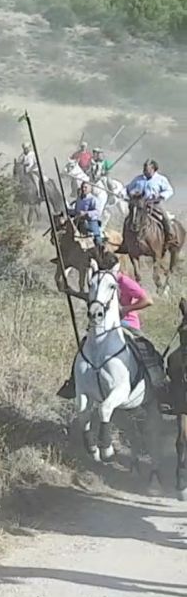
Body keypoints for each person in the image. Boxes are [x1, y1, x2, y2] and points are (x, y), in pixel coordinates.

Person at [56, 248, 170, 410]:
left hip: (126, 324)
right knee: (84, 348)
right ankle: (74, 382)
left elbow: (147, 300)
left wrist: (125, 310)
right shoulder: (100, 280)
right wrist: (72, 292)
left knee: (144, 348)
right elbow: (95, 297)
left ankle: (158, 384)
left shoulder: (124, 281)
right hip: (102, 325)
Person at [125, 160, 176, 233]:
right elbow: (128, 188)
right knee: (128, 219)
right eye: (144, 169)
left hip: (154, 204)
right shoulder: (138, 179)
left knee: (165, 217)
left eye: (147, 170)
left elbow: (169, 190)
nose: (145, 171)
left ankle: (171, 236)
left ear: (154, 169)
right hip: (138, 203)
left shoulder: (161, 179)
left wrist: (160, 195)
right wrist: (131, 193)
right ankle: (124, 239)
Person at [69, 180, 104, 246]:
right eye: (82, 187)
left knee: (97, 239)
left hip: (91, 222)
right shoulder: (79, 199)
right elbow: (76, 211)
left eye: (85, 187)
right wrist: (69, 211)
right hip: (79, 222)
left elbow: (97, 212)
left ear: (90, 189)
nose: (83, 189)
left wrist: (86, 213)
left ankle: (101, 252)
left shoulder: (93, 199)